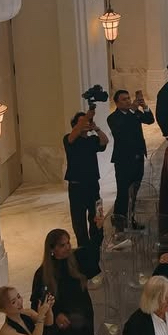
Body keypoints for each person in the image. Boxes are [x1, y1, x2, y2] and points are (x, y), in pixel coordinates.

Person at [31, 228, 96, 335]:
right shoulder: (42, 274)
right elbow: (37, 303)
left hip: (82, 323)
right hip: (60, 331)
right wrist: (56, 314)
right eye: (62, 245)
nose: (67, 247)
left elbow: (93, 258)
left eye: (68, 243)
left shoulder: (76, 261)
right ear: (51, 249)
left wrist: (97, 231)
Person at [106, 89, 154, 227]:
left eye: (128, 98)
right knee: (123, 193)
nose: (128, 101)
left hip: (138, 158)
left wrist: (144, 106)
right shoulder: (113, 118)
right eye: (124, 99)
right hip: (124, 161)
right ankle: (120, 222)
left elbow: (150, 120)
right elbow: (121, 129)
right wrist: (132, 110)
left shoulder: (135, 113)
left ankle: (131, 219)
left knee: (134, 192)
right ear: (116, 103)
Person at [63, 105, 108, 249]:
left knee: (96, 215)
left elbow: (105, 141)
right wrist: (87, 117)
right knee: (78, 220)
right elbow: (72, 137)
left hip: (93, 184)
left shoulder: (92, 140)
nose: (86, 123)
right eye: (82, 121)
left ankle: (97, 244)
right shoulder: (69, 139)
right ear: (75, 125)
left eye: (87, 121)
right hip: (76, 186)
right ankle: (83, 247)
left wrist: (96, 128)